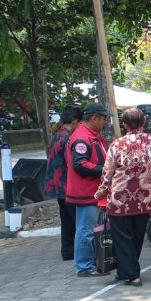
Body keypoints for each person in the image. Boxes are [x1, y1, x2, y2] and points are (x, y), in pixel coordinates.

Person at [95, 108, 151, 286]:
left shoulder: (117, 144)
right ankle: (125, 271)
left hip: (120, 200)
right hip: (145, 199)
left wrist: (100, 192)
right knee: (136, 237)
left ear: (124, 124)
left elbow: (107, 173)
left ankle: (132, 275)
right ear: (144, 121)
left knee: (123, 238)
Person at [65, 102, 110, 276]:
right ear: (95, 118)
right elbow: (80, 164)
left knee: (93, 229)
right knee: (86, 230)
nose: (105, 123)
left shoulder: (91, 135)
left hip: (94, 191)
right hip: (86, 192)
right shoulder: (82, 137)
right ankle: (84, 267)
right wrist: (105, 170)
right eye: (104, 119)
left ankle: (92, 263)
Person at [43, 105, 82, 261]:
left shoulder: (58, 135)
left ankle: (67, 251)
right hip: (66, 185)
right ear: (74, 122)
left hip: (57, 186)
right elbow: (72, 163)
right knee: (77, 221)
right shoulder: (68, 138)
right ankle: (81, 253)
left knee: (67, 221)